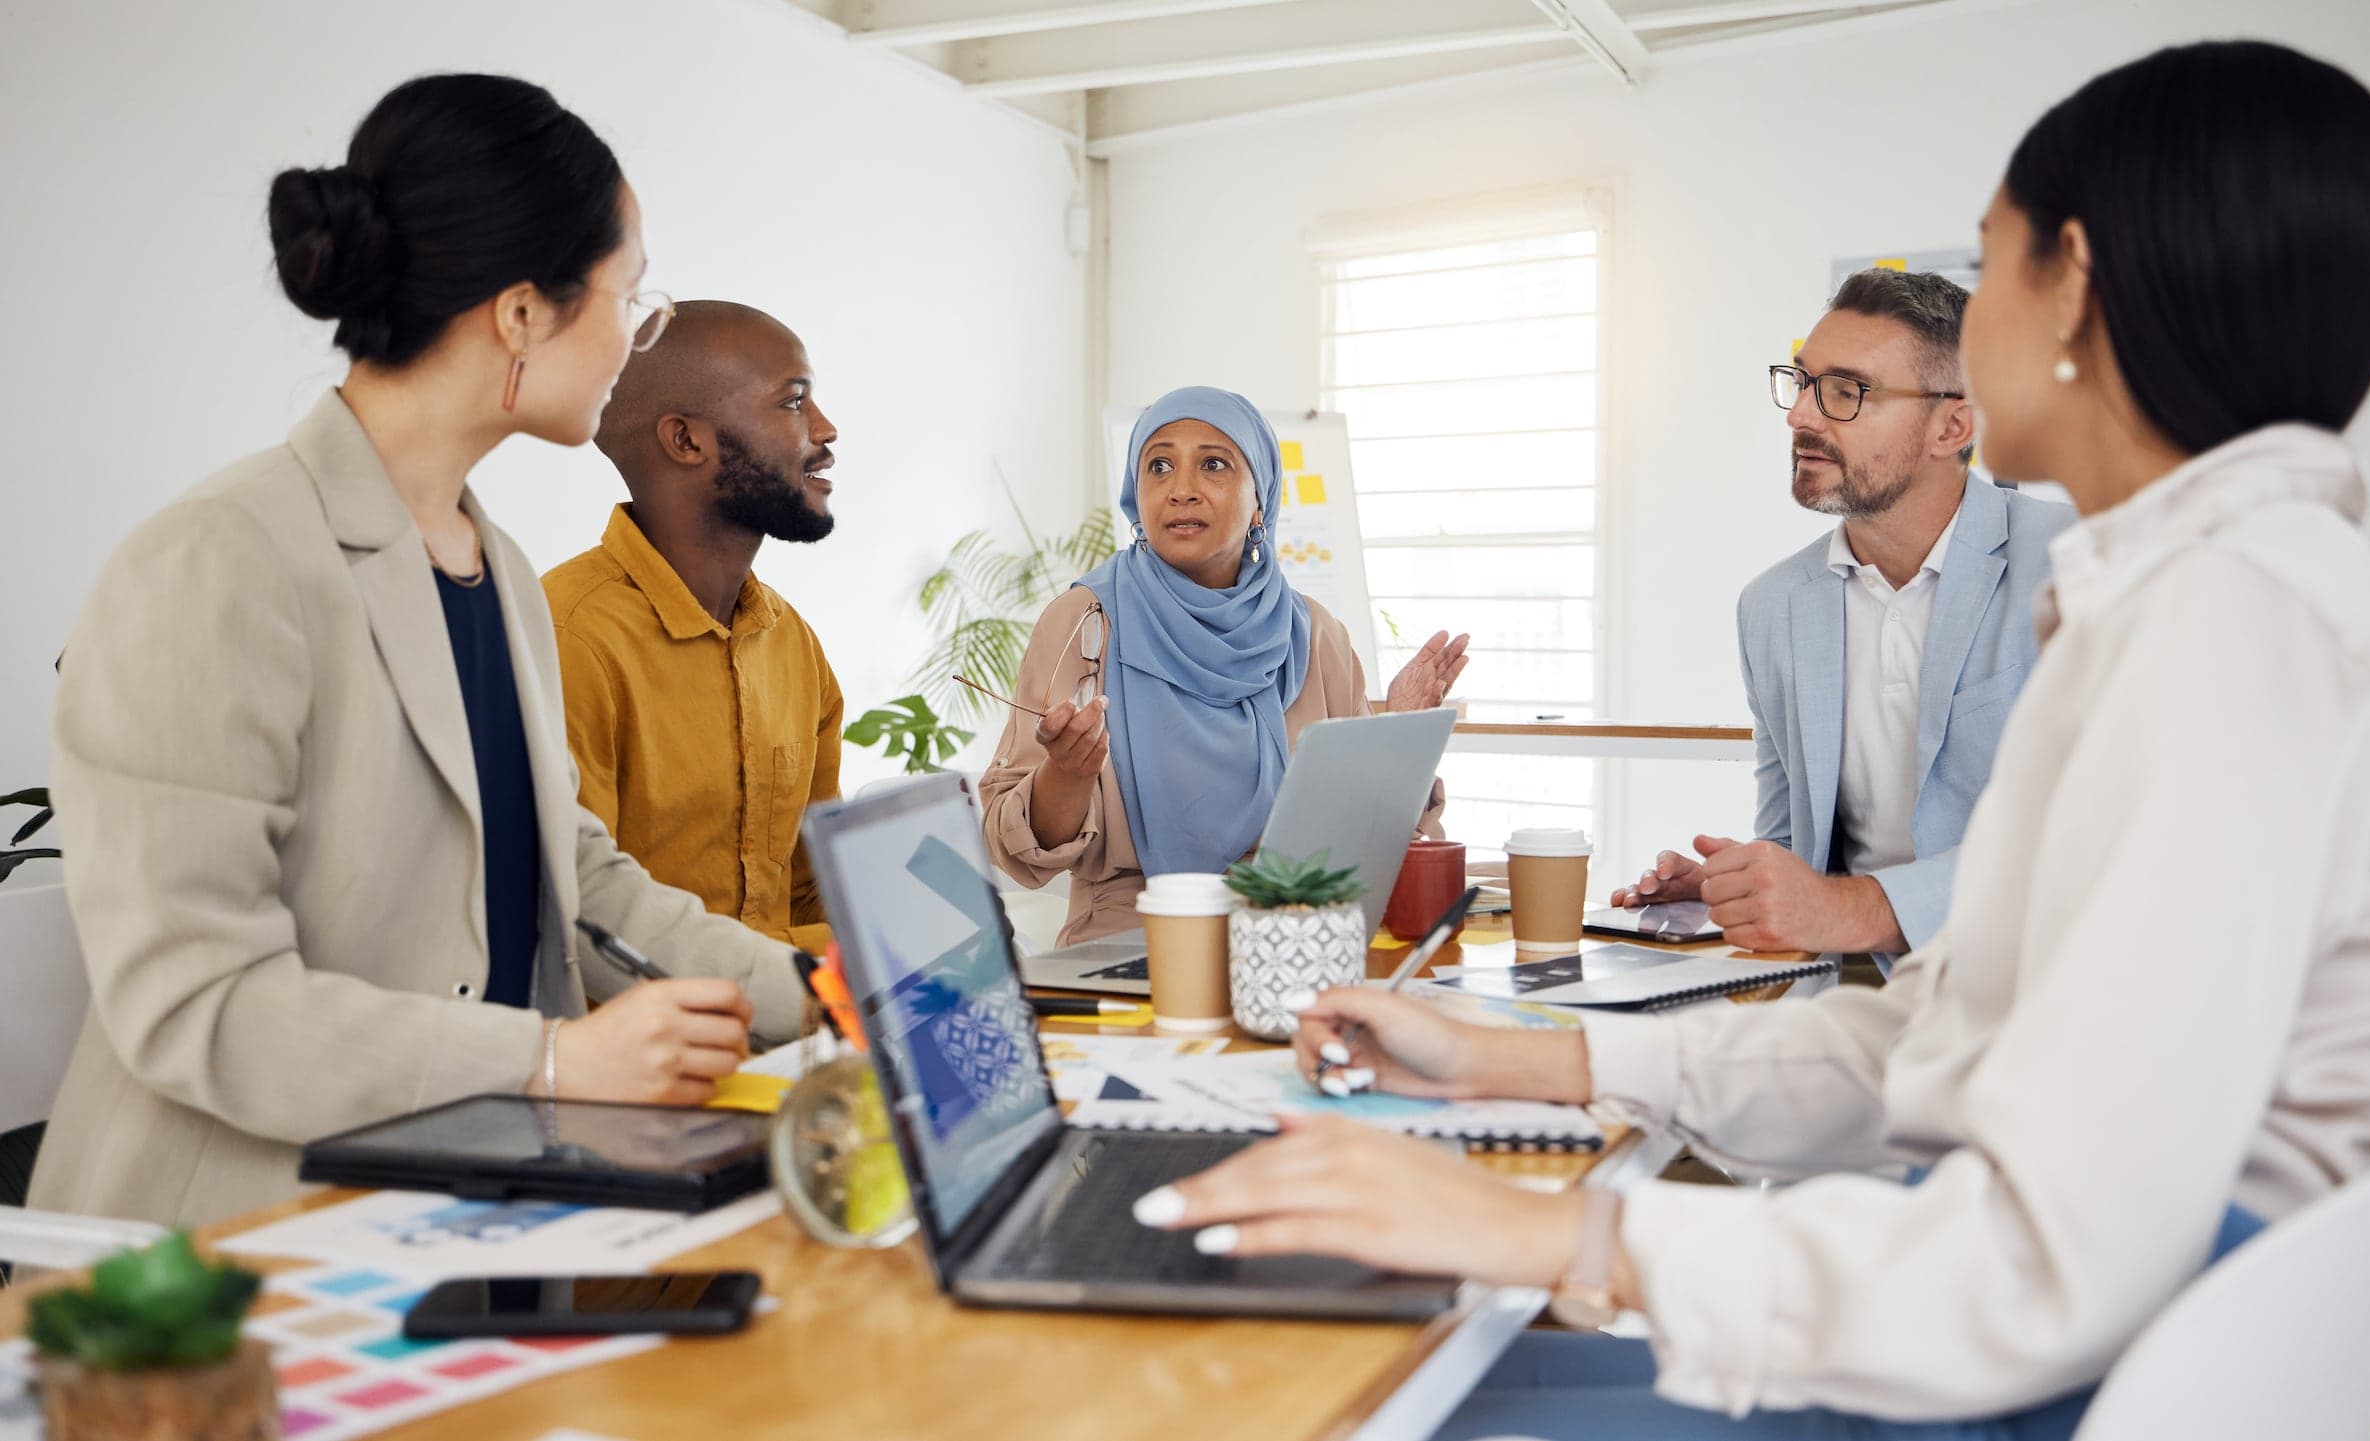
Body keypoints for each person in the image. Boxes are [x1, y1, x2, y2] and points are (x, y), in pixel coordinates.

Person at [1138, 40, 2370, 1437]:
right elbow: (1934, 1038)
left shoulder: (2231, 627)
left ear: (2076, 286)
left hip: (2044, 1388)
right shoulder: (2196, 599)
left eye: (1991, 266)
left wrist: (1545, 1234)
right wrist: (1530, 1059)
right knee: (1421, 1371)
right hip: (2028, 1349)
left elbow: (2038, 1261)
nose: (1812, 409)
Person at [28, 75, 816, 1230]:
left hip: (458, 1201)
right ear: (519, 313)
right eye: (628, 296)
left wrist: (833, 993)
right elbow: (199, 1004)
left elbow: (579, 878)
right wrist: (551, 1059)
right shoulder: (216, 561)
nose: (635, 338)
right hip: (228, 1255)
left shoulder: (490, 564)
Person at [1611, 270, 2075, 971]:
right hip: (1867, 992)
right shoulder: (1772, 608)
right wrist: (1733, 888)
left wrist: (1845, 909)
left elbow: (2084, 837)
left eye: (1846, 392)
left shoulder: (2071, 561)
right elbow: (1796, 852)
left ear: (1952, 424)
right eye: (1801, 382)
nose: (1800, 416)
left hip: (2046, 987)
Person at [979, 386, 1470, 945]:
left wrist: (1395, 740)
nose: (1181, 490)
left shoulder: (1313, 634)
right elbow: (1018, 852)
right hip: (1130, 943)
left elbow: (1363, 837)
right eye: (1158, 466)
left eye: (1213, 465)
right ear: (1137, 497)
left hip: (1296, 939)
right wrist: (1065, 775)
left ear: (1260, 499)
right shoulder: (1084, 624)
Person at [546, 300, 843, 953]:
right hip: (645, 1049)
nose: (826, 430)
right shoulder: (568, 640)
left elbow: (813, 891)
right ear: (686, 440)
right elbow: (582, 928)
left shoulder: (793, 644)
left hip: (793, 1040)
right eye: (794, 403)